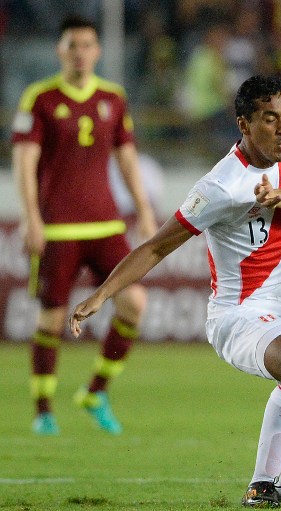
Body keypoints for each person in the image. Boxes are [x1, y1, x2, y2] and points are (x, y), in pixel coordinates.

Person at [68, 75, 281, 508]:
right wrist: (103, 294)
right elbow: (156, 246)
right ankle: (262, 487)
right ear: (243, 124)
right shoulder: (220, 186)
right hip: (238, 314)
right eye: (269, 120)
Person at [11, 15, 157, 436]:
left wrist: (145, 211)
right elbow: (25, 162)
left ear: (98, 51)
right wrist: (31, 218)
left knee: (135, 304)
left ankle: (95, 392)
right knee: (51, 321)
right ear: (60, 50)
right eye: (72, 44)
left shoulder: (113, 97)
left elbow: (127, 157)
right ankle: (43, 411)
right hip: (57, 229)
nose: (80, 52)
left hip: (106, 226)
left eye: (88, 45)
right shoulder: (39, 98)